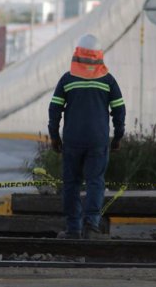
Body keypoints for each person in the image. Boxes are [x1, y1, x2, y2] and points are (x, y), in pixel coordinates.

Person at [48, 33, 126, 239]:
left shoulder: (67, 79)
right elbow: (119, 109)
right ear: (99, 55)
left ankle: (73, 228)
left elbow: (54, 108)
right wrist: (118, 136)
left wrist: (54, 136)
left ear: (77, 54)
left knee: (71, 183)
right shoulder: (108, 81)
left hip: (73, 140)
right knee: (95, 182)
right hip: (98, 140)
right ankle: (91, 224)